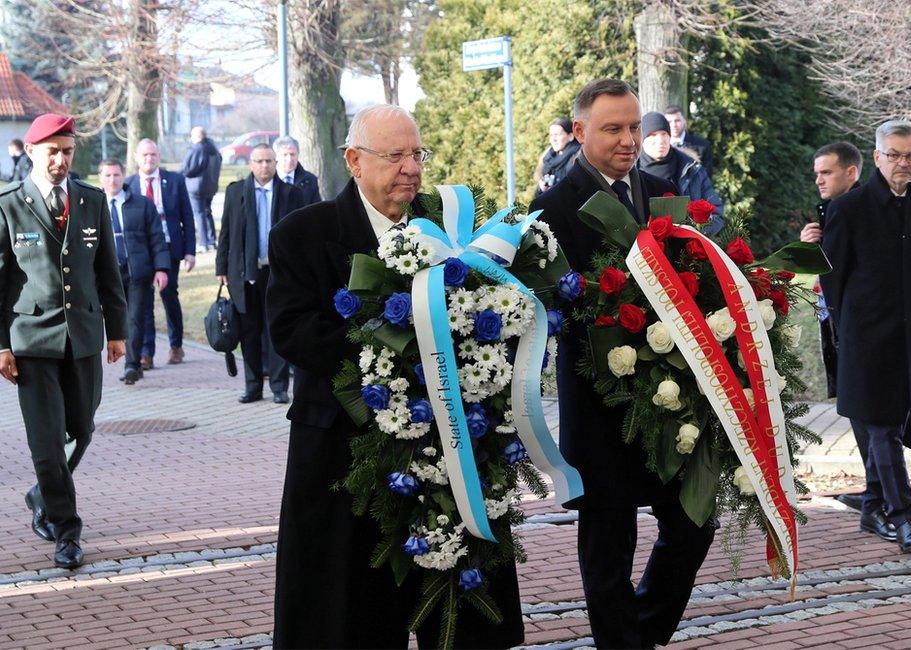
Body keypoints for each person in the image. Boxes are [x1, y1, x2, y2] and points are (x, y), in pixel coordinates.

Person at [266, 104, 524, 649]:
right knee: (347, 615)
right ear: (354, 161)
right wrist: (401, 351)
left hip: (451, 447)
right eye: (395, 155)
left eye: (417, 154)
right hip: (343, 448)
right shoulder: (303, 233)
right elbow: (291, 331)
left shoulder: (451, 229)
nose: (411, 167)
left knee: (458, 608)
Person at [529, 79, 715, 648]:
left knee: (693, 524)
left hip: (669, 400)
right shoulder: (552, 208)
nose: (629, 139)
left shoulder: (663, 194)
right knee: (608, 545)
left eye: (634, 126)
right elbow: (548, 304)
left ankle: (645, 626)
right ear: (580, 131)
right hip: (599, 404)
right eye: (613, 129)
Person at [801, 142, 911, 511]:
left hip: (876, 332)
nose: (818, 180)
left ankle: (889, 503)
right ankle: (878, 495)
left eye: (826, 172)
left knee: (879, 418)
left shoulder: (872, 210)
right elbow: (837, 272)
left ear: (851, 172)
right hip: (846, 327)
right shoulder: (835, 209)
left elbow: (863, 274)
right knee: (870, 415)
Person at [0, 113, 127, 569]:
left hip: (85, 337)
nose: (60, 159)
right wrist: (1, 345)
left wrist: (117, 332)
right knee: (48, 444)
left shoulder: (91, 200)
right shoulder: (9, 203)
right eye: (52, 150)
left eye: (67, 151)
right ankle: (66, 530)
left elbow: (108, 272)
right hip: (31, 341)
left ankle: (42, 494)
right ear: (32, 151)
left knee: (85, 429)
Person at [820, 120, 911, 552]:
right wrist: (849, 330)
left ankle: (873, 505)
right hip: (866, 339)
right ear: (876, 157)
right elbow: (833, 281)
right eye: (894, 154)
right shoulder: (849, 209)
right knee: (882, 427)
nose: (903, 163)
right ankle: (904, 517)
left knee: (891, 424)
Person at [216, 143, 301, 405]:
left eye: (268, 161)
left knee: (275, 330)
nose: (264, 166)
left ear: (275, 163)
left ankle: (278, 387)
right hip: (245, 273)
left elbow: (301, 235)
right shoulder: (235, 192)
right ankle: (252, 387)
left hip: (278, 274)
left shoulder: (290, 193)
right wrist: (221, 268)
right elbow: (226, 233)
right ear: (250, 164)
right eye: (259, 161)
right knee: (248, 332)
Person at [125, 139, 195, 369]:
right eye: (145, 155)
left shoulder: (174, 181)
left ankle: (176, 345)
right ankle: (146, 352)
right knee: (143, 302)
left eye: (153, 154)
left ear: (159, 156)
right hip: (142, 252)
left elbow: (187, 216)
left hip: (170, 247)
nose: (149, 159)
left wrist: (190, 251)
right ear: (137, 157)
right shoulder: (129, 185)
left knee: (169, 296)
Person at [100, 159, 170, 384]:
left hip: (137, 271)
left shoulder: (142, 204)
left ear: (124, 176)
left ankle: (132, 364)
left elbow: (157, 238)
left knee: (135, 318)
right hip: (106, 273)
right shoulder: (93, 205)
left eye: (116, 175)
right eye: (108, 175)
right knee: (112, 318)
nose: (113, 180)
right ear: (101, 178)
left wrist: (161, 268)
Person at [637, 110, 725, 234]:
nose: (660, 140)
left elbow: (716, 213)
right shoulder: (629, 172)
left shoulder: (692, 170)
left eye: (664, 133)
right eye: (652, 135)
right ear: (642, 139)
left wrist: (693, 237)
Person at [181, 126, 221, 251]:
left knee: (199, 213)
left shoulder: (197, 149)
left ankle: (203, 242)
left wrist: (179, 175)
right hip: (211, 186)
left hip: (196, 187)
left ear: (197, 136)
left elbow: (188, 168)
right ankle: (212, 240)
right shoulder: (214, 149)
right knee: (207, 212)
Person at [533, 117, 581, 196]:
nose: (553, 139)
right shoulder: (548, 158)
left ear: (570, 136)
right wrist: (541, 188)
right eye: (551, 135)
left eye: (557, 135)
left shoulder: (578, 157)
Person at [663, 104, 714, 174]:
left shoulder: (703, 146)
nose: (673, 125)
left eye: (677, 121)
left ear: (684, 121)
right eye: (669, 122)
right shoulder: (660, 147)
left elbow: (706, 177)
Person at [273, 135, 322, 207]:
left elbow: (316, 209)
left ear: (298, 154)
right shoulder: (269, 180)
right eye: (285, 155)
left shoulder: (310, 181)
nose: (289, 159)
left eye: (292, 154)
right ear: (276, 157)